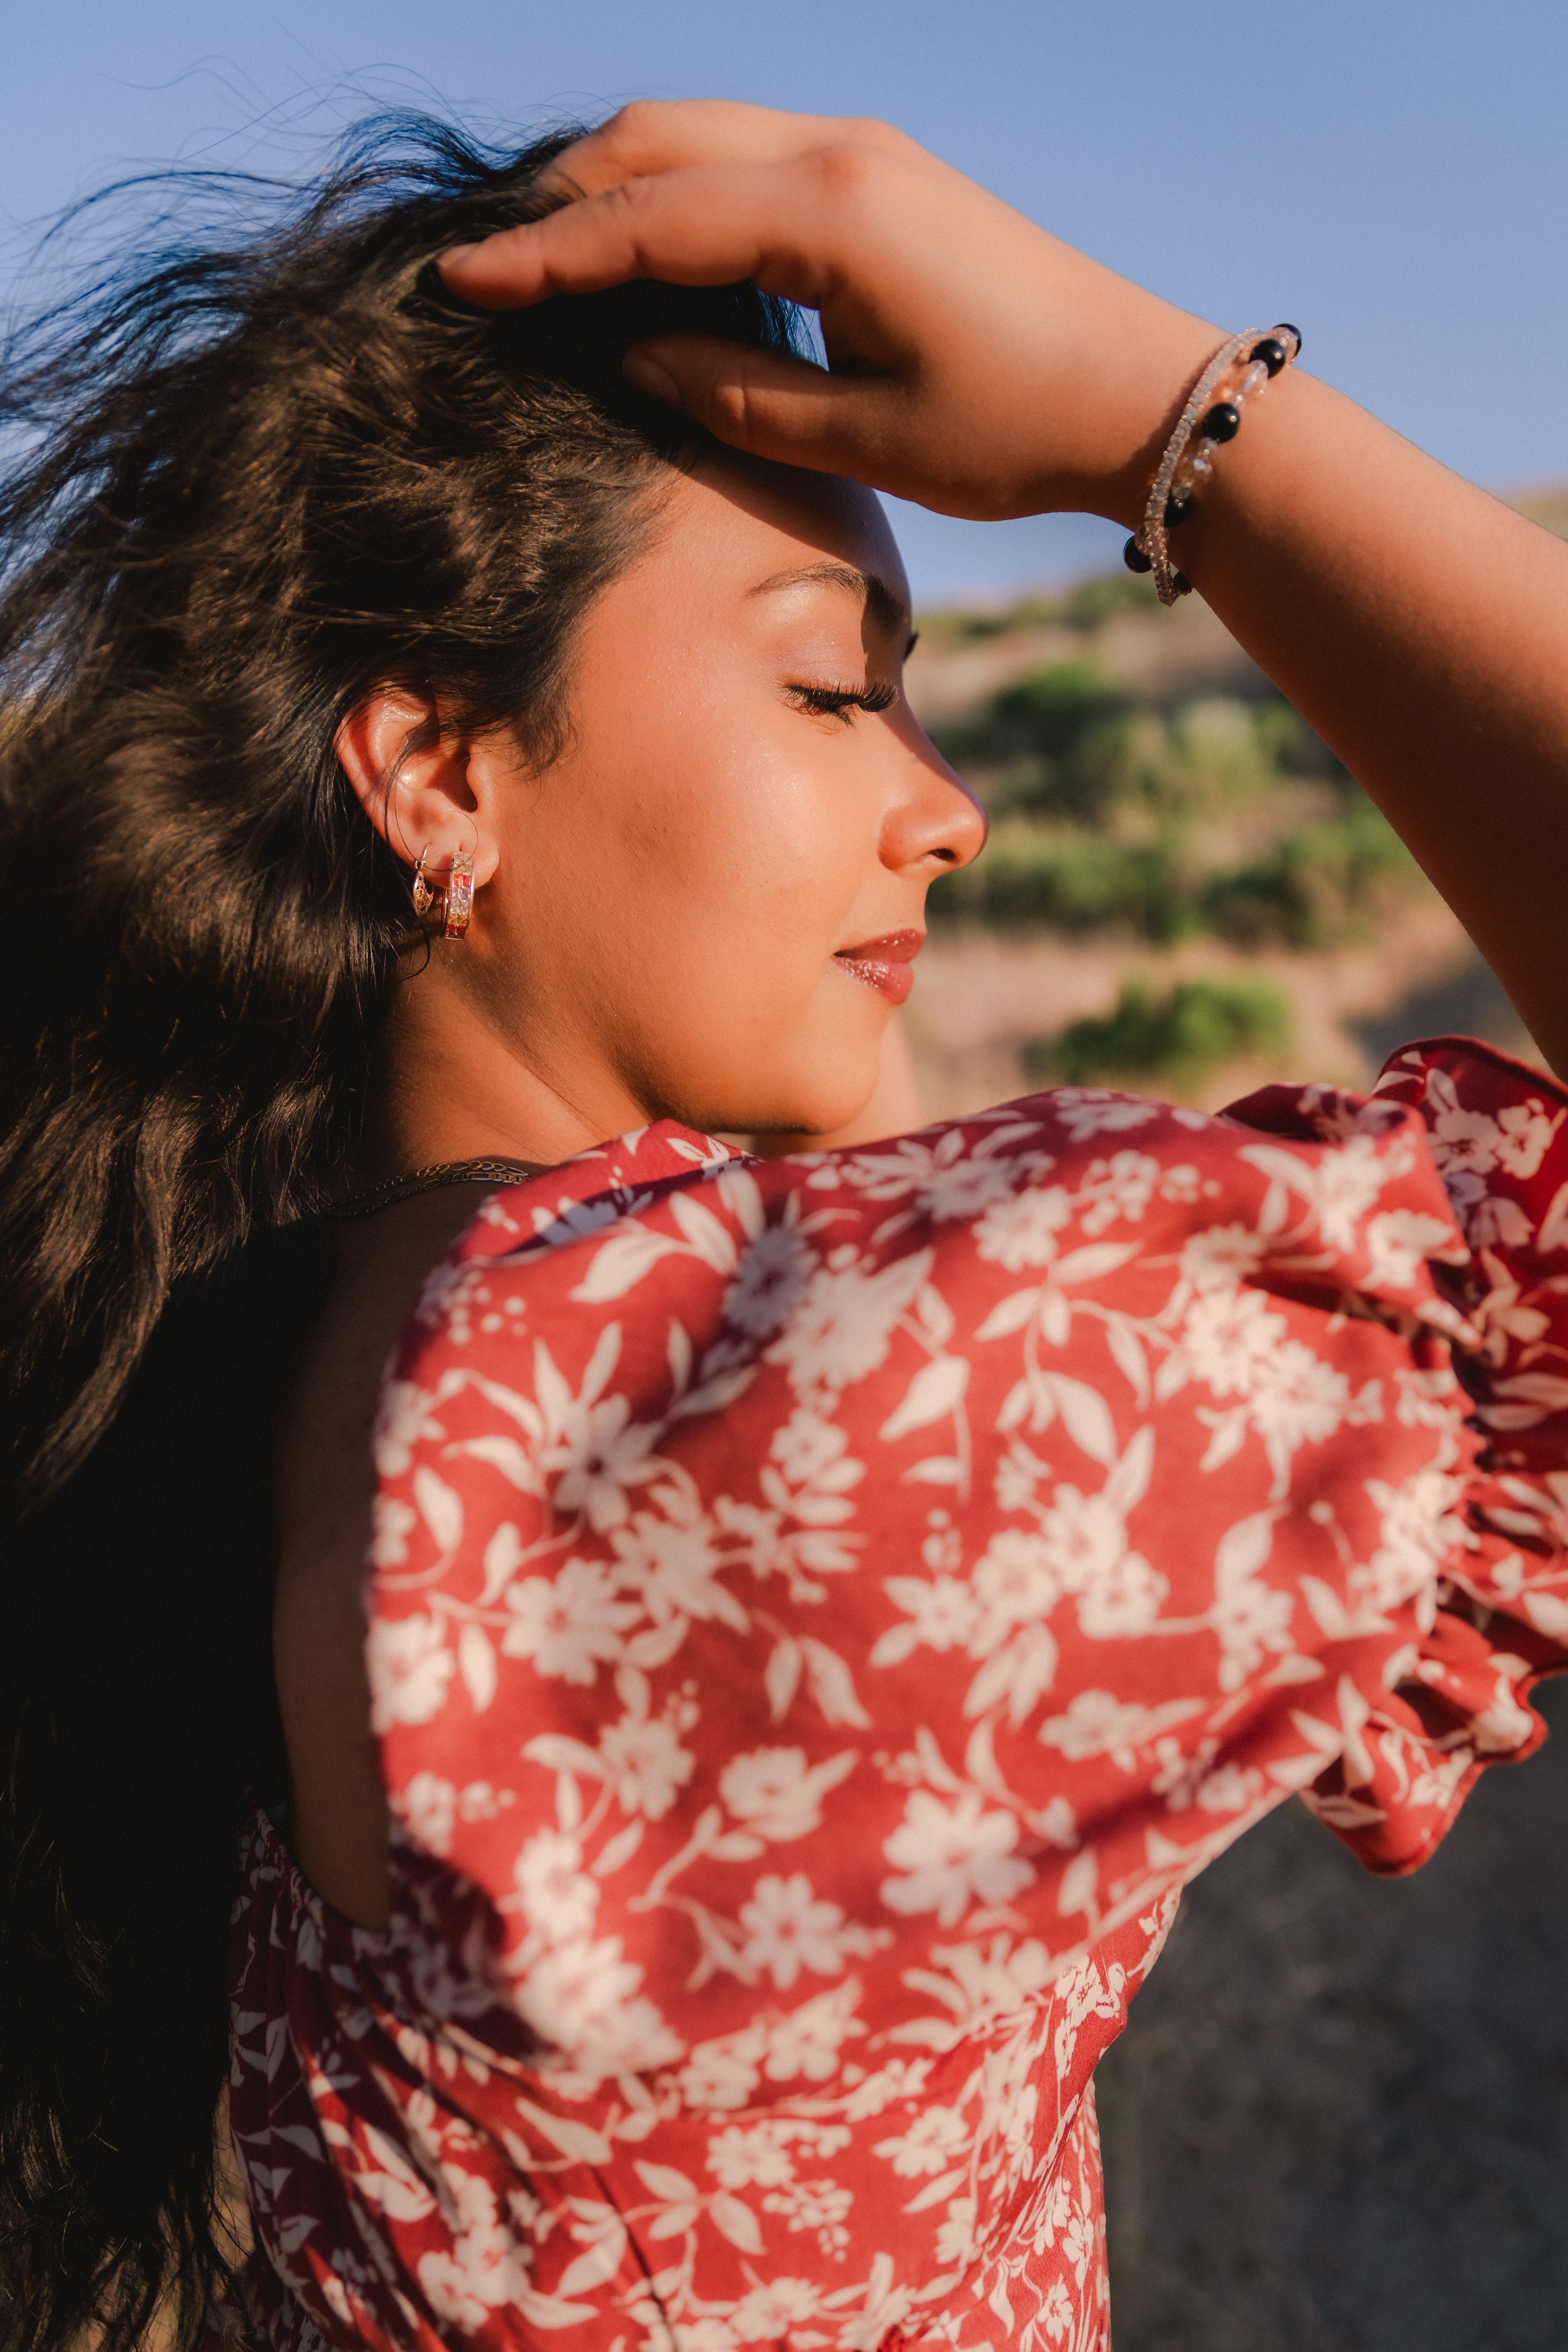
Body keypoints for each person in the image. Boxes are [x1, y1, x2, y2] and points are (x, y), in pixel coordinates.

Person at [4, 98, 1568, 2352]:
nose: (942, 810)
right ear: (439, 773)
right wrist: (1180, 426)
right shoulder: (726, 1424)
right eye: (834, 684)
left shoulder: (316, 1351)